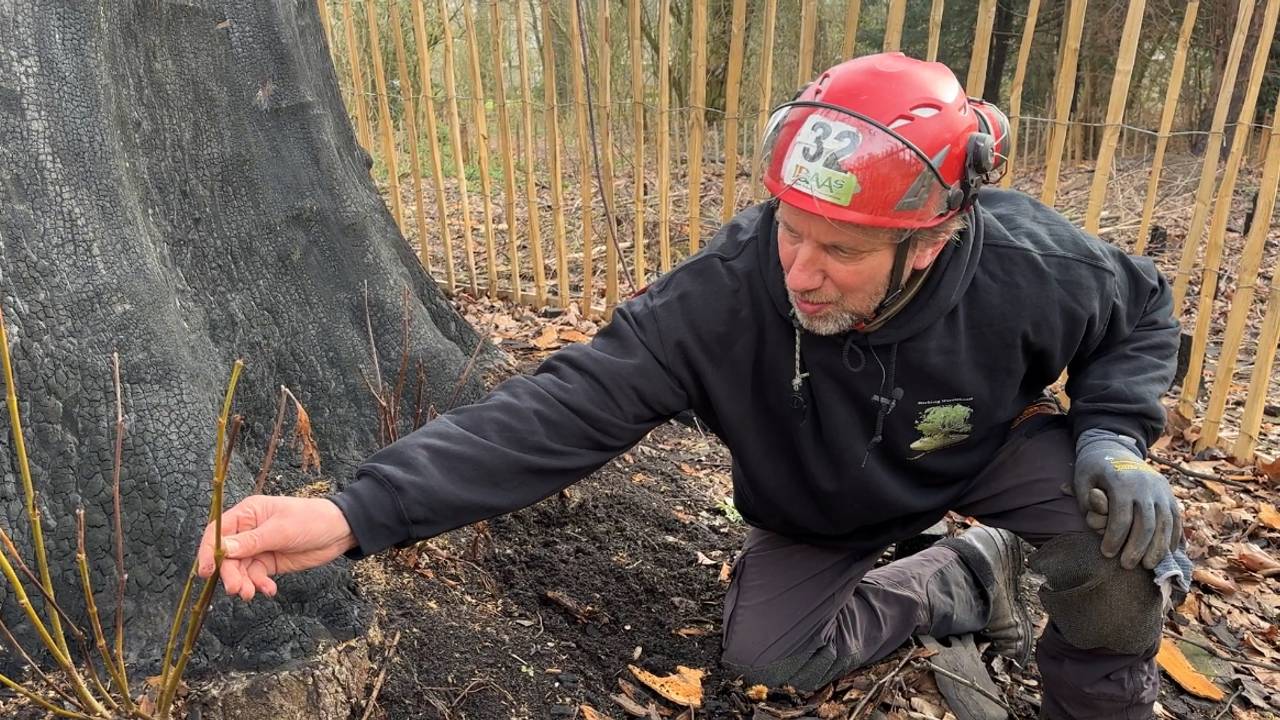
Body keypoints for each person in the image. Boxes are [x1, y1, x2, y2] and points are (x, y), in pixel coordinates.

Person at [198, 53, 1184, 719]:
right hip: (821, 500)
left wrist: (1110, 439)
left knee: (1114, 544)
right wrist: (352, 516)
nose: (796, 272)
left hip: (980, 447)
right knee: (771, 661)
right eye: (787, 230)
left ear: (928, 241)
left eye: (837, 250)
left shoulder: (1028, 264)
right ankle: (968, 576)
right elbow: (557, 410)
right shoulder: (722, 296)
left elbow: (1140, 313)